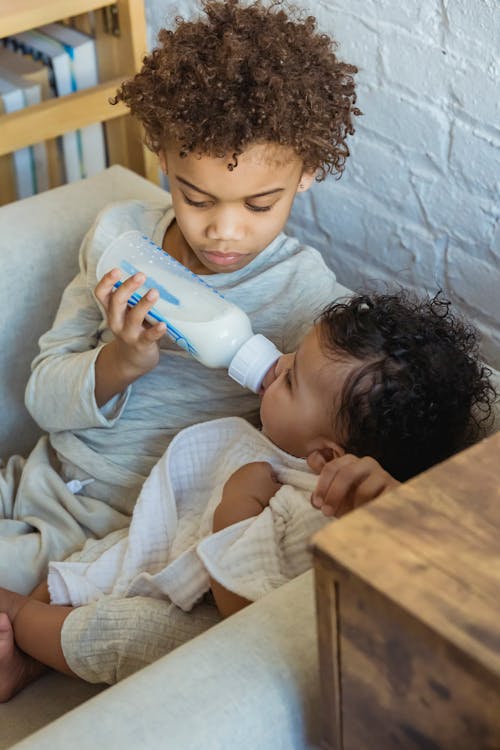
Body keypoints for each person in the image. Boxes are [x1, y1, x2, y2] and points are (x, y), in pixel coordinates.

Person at [0, 0, 361, 595]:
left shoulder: (309, 302)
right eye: (196, 198)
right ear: (161, 155)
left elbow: (354, 416)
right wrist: (120, 363)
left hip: (124, 528)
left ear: (307, 171)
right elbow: (41, 396)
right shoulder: (121, 238)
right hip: (38, 477)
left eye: (258, 205)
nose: (224, 231)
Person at [0, 290, 496, 700]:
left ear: (325, 453)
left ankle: (19, 619)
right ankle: (26, 661)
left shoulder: (310, 506)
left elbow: (243, 615)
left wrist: (239, 505)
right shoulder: (278, 448)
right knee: (101, 557)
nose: (276, 365)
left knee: (116, 632)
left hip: (206, 622)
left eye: (293, 377)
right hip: (170, 554)